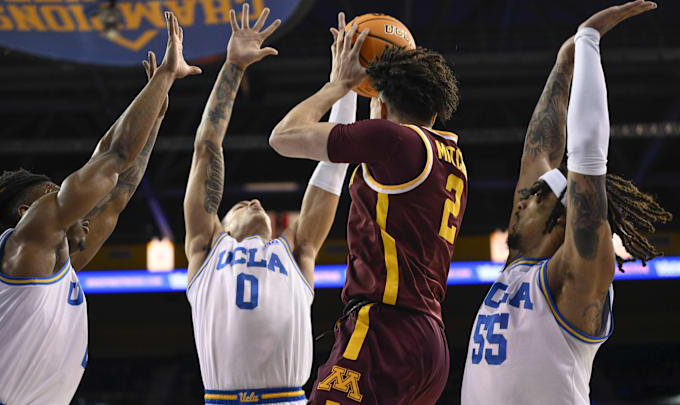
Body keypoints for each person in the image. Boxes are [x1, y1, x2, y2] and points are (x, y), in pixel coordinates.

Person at [0, 12, 200, 404]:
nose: (77, 206)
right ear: (26, 213)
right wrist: (164, 77)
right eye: (55, 193)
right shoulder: (27, 243)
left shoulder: (57, 263)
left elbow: (118, 191)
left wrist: (154, 116)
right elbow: (112, 155)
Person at [461, 2, 670, 404]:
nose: (519, 204)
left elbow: (588, 159)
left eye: (535, 198)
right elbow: (537, 154)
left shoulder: (577, 277)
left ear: (563, 221)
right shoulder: (517, 267)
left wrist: (588, 39)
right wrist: (563, 65)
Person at [270, 12, 464, 404]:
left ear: (383, 103)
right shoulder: (450, 154)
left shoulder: (394, 141)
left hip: (384, 331)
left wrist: (338, 84)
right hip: (430, 341)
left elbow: (283, 137)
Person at [183, 4, 347, 404]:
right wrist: (233, 68)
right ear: (218, 224)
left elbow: (332, 170)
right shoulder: (207, 249)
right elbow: (206, 148)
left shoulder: (296, 250)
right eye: (239, 204)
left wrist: (346, 88)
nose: (255, 201)